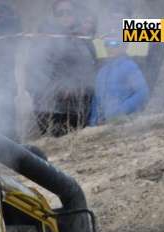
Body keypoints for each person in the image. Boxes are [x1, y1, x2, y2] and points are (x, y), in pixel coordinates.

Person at [26, 0, 97, 135]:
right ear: (54, 17)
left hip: (81, 105)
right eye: (60, 13)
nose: (65, 16)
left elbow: (93, 66)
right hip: (54, 108)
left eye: (68, 12)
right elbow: (36, 72)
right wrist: (59, 89)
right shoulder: (45, 39)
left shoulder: (84, 37)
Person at [90, 37, 149, 123]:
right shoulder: (102, 72)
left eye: (115, 44)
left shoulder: (129, 67)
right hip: (103, 124)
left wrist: (120, 111)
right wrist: (93, 122)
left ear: (123, 47)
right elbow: (96, 100)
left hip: (124, 123)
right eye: (107, 45)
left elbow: (142, 93)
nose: (110, 48)